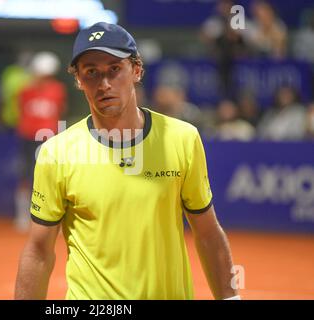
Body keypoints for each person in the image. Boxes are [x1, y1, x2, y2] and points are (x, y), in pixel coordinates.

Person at [15, 22, 239, 300]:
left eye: (114, 69)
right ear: (78, 80)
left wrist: (230, 298)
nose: (104, 84)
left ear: (136, 70)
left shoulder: (183, 139)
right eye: (91, 72)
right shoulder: (56, 153)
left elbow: (207, 233)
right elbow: (38, 250)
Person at [14, 51, 67, 231]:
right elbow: (20, 109)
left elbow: (60, 110)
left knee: (52, 177)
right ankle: (22, 215)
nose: (44, 78)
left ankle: (54, 217)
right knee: (25, 174)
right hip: (28, 136)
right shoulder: (25, 90)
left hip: (49, 138)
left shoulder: (58, 89)